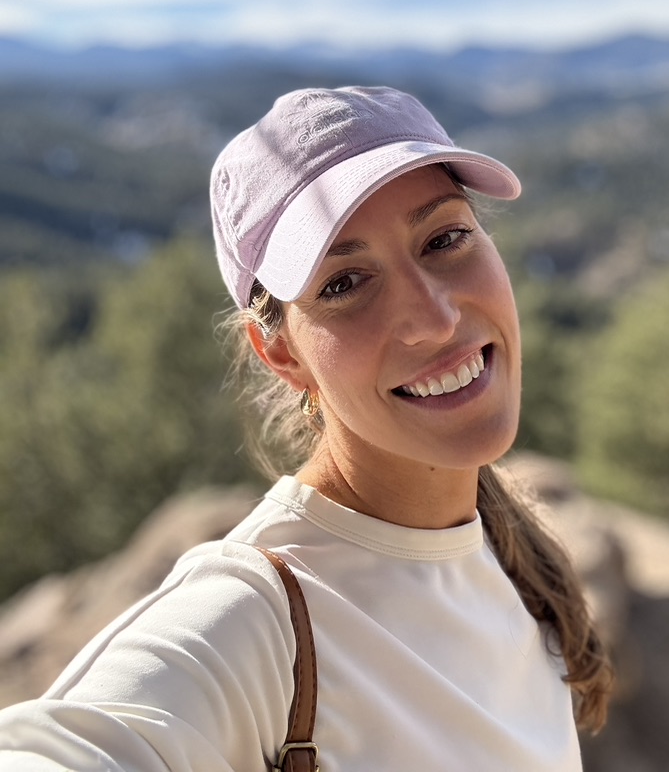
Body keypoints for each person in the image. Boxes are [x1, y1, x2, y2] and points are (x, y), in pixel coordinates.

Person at [0, 85, 612, 771]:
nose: (436, 319)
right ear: (281, 353)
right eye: (345, 283)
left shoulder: (515, 569)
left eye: (445, 239)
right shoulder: (251, 621)